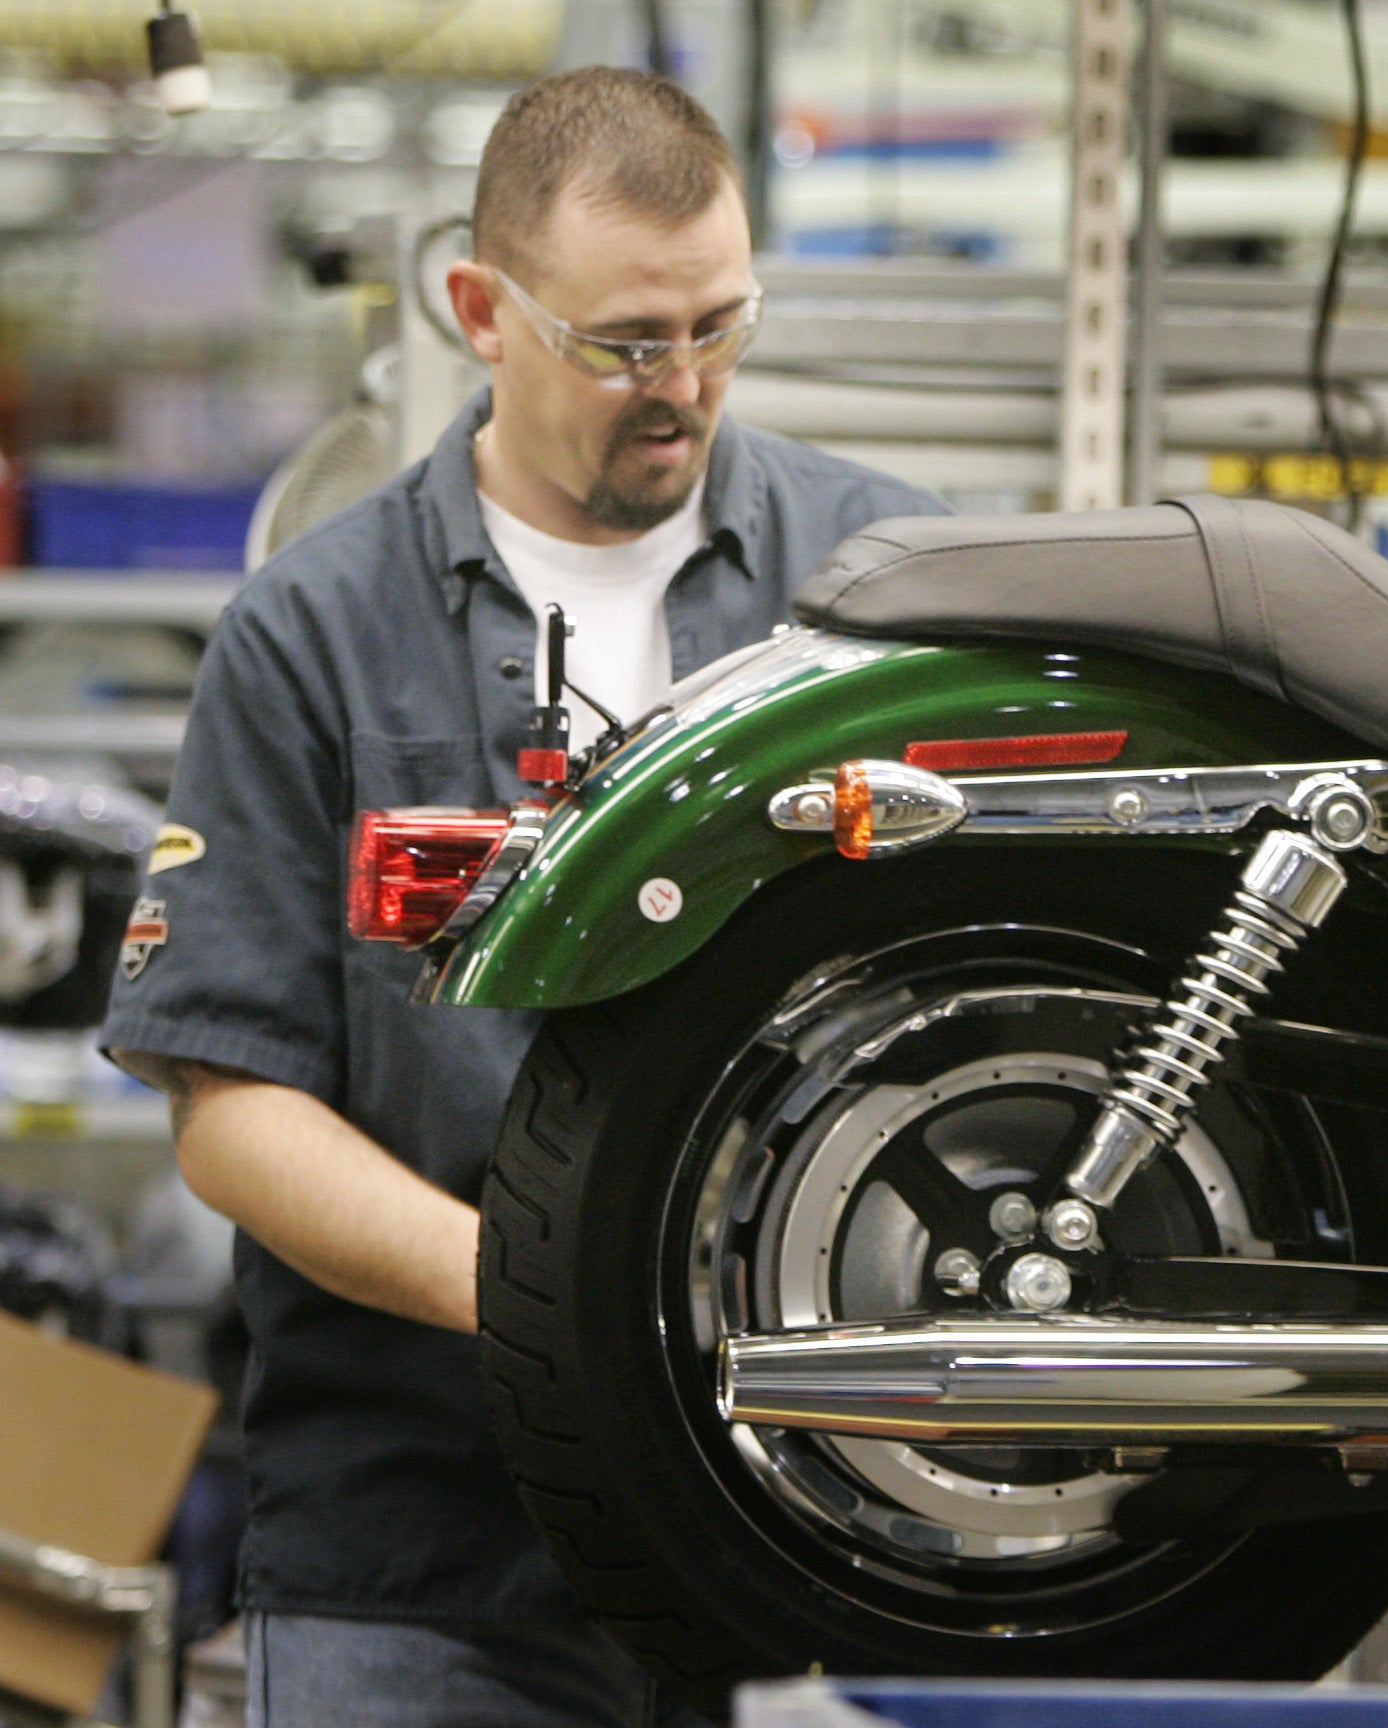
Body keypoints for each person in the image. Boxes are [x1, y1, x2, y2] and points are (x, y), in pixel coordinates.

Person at [101, 67, 945, 1728]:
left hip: (824, 1527)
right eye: (627, 341)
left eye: (721, 324)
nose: (683, 385)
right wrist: (540, 1297)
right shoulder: (314, 635)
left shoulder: (885, 587)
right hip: (420, 1556)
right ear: (481, 310)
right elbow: (230, 1102)